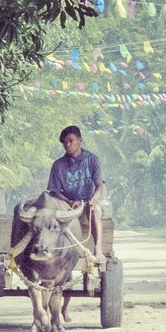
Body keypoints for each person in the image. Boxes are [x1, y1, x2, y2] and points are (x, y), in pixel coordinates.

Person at [47, 125, 106, 321]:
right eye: (65, 142)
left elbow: (99, 185)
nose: (68, 145)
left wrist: (94, 199)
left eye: (71, 141)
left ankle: (97, 249)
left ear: (80, 141)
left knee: (95, 211)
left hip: (86, 204)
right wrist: (68, 202)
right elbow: (54, 191)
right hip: (65, 206)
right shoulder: (58, 165)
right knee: (49, 221)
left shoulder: (92, 159)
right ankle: (50, 253)